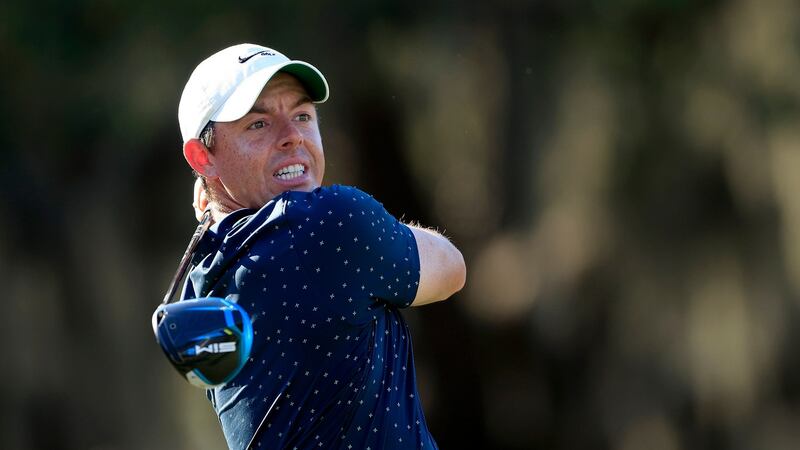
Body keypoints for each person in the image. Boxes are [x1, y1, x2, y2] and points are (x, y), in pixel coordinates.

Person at [175, 43, 466, 450]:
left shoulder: (202, 279)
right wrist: (370, 233)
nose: (292, 137)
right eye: (258, 124)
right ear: (202, 156)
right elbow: (451, 268)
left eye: (302, 115)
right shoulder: (330, 224)